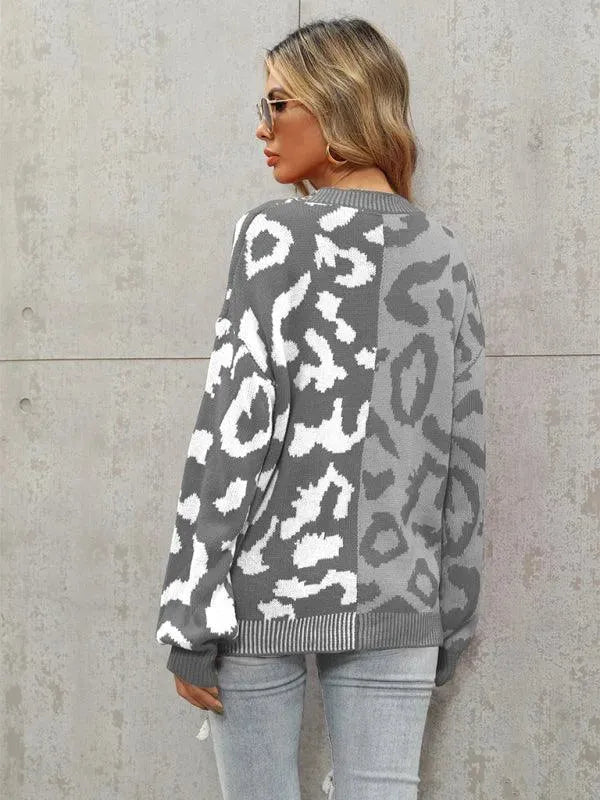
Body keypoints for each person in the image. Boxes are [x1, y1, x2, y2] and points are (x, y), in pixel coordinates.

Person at [155, 16, 486, 800]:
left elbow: (234, 430)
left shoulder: (270, 234)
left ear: (339, 103)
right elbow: (462, 458)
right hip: (402, 593)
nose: (262, 128)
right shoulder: (444, 251)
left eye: (278, 104)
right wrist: (451, 617)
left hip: (257, 594)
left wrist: (189, 612)